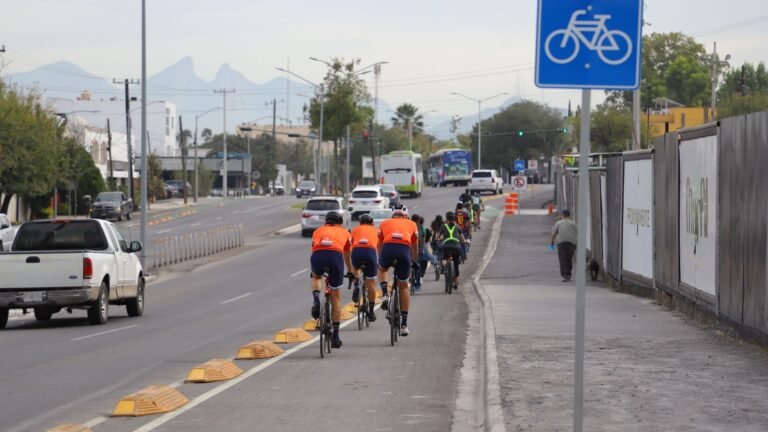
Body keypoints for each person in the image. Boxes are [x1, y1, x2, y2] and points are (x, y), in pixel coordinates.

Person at [309, 211, 354, 348]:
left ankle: (316, 300)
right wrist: (350, 271)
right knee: (336, 297)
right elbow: (347, 255)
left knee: (316, 276)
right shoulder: (345, 232)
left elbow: (314, 249)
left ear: (326, 222)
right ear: (339, 223)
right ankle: (336, 336)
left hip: (318, 256)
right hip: (335, 257)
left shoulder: (317, 231)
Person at [378, 208, 419, 336]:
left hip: (388, 249)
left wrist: (381, 259)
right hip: (403, 251)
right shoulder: (412, 224)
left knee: (382, 269)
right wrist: (414, 261)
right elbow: (415, 246)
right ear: (405, 216)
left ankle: (385, 293)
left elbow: (380, 244)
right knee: (404, 286)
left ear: (393, 216)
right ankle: (404, 324)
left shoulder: (384, 223)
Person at [350, 213, 379, 322]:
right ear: (372, 223)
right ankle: (371, 311)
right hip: (370, 252)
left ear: (360, 223)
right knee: (371, 282)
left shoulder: (355, 230)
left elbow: (350, 244)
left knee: (356, 267)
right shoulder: (376, 230)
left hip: (357, 250)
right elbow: (379, 247)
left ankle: (356, 284)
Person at [437, 211, 466, 289]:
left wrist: (438, 239)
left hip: (447, 246)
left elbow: (438, 236)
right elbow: (462, 238)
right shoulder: (457, 226)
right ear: (454, 218)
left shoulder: (443, 226)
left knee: (444, 257)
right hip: (456, 247)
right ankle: (456, 281)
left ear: (447, 218)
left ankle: (443, 267)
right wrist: (463, 241)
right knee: (456, 264)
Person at [550, 209, 578, 282]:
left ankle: (565, 274)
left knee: (563, 260)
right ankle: (568, 274)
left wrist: (552, 242)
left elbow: (553, 233)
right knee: (569, 259)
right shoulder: (573, 223)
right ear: (569, 215)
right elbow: (578, 233)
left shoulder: (558, 223)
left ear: (563, 215)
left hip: (561, 244)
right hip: (571, 244)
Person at [411, 214, 426, 291]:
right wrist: (423, 249)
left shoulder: (409, 225)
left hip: (409, 247)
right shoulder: (420, 227)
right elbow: (423, 238)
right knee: (417, 264)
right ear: (418, 220)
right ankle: (417, 283)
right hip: (418, 248)